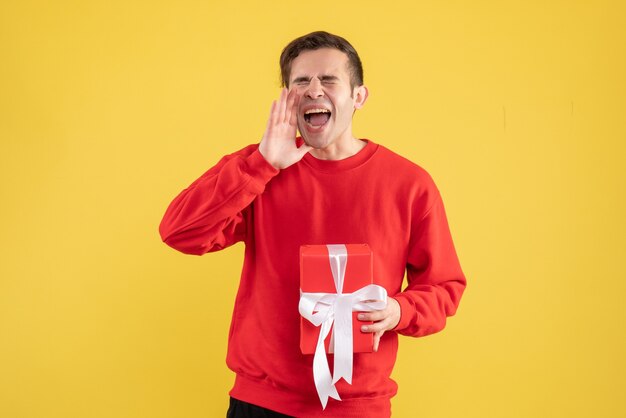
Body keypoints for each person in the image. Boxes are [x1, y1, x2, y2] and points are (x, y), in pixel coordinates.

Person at [159, 31, 466, 418]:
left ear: (358, 96)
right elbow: (179, 232)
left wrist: (398, 311)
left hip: (359, 407)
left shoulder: (409, 184)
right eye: (301, 81)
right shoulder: (257, 169)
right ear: (287, 96)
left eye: (329, 79)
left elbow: (444, 287)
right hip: (262, 402)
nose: (314, 90)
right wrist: (263, 164)